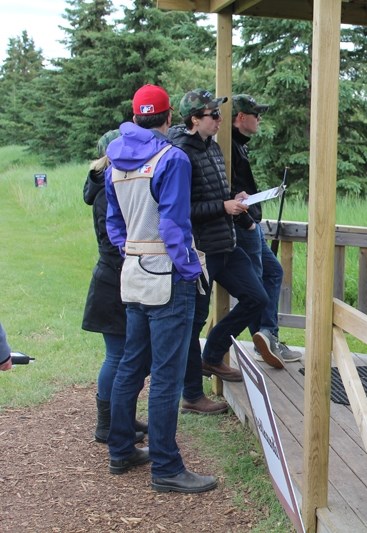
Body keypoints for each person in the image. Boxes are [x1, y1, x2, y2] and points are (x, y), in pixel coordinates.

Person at [105, 83, 217, 493]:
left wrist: (132, 250)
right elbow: (174, 225)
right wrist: (189, 270)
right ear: (169, 118)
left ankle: (121, 450)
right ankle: (166, 468)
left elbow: (113, 223)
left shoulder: (114, 159)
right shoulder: (172, 158)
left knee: (131, 365)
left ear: (135, 117)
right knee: (167, 377)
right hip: (168, 275)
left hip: (133, 271)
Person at [169, 89, 269, 415]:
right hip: (200, 252)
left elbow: (214, 191)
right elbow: (181, 208)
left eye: (219, 114)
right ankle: (192, 396)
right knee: (192, 322)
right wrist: (224, 206)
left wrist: (234, 197)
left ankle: (212, 356)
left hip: (226, 244)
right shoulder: (180, 154)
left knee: (257, 297)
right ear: (194, 119)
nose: (220, 120)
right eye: (213, 115)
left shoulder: (211, 147)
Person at [82, 129, 146, 444]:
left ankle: (122, 418)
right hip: (113, 279)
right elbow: (116, 241)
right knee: (118, 355)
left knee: (125, 355)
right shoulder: (110, 188)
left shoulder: (108, 182)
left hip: (115, 277)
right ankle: (107, 425)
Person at [230, 94, 301, 369]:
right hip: (244, 224)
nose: (259, 118)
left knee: (272, 273)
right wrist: (246, 222)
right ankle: (265, 339)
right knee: (256, 285)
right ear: (240, 118)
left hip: (250, 222)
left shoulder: (238, 146)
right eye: (255, 113)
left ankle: (267, 336)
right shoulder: (229, 147)